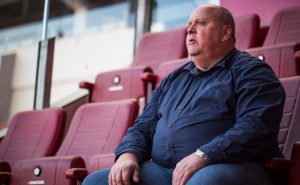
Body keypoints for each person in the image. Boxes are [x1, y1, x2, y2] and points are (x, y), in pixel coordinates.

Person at [83, 4, 285, 185]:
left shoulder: (252, 71)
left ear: (226, 33)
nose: (189, 29)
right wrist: (128, 156)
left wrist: (204, 155)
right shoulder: (173, 79)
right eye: (188, 25)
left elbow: (256, 127)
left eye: (200, 23)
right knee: (96, 182)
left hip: (229, 165)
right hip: (164, 172)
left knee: (205, 181)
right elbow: (142, 126)